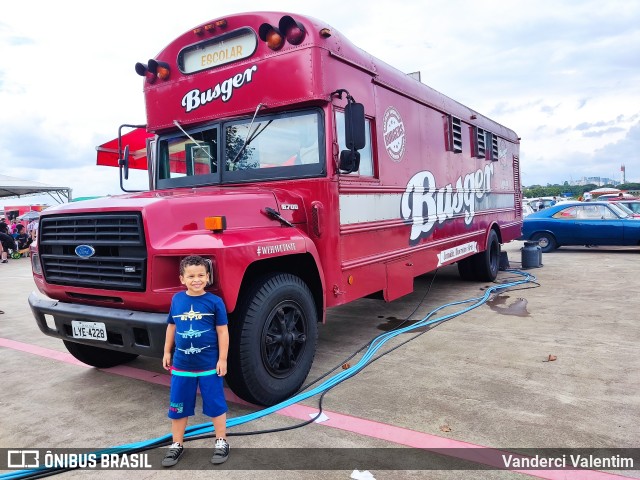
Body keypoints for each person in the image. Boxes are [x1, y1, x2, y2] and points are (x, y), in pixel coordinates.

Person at [162, 255, 230, 467]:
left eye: (201, 275)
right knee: (178, 407)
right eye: (191, 276)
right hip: (182, 366)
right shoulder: (177, 300)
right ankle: (177, 444)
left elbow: (222, 332)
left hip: (209, 365)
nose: (196, 279)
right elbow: (172, 326)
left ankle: (221, 441)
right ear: (182, 278)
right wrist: (166, 352)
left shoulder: (215, 302)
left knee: (215, 404)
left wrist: (223, 359)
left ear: (208, 277)